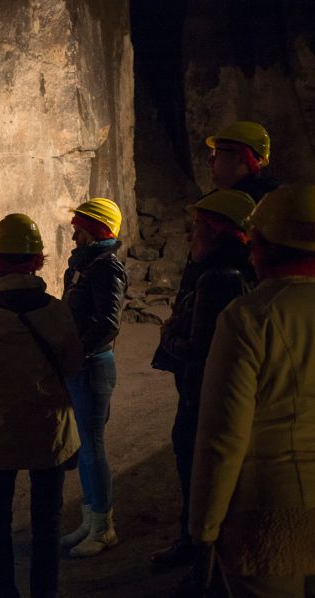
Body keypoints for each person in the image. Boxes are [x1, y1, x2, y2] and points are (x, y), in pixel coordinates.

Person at [189, 184, 315, 597]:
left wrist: (204, 526)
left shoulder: (250, 317)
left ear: (262, 247)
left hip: (269, 514)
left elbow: (224, 436)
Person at [0, 214, 83, 598]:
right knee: (46, 523)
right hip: (48, 432)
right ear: (38, 261)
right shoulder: (58, 312)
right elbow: (74, 365)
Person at [150, 190, 256, 569]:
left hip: (200, 397)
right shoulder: (237, 271)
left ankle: (200, 560)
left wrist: (168, 334)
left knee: (197, 475)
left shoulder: (217, 278)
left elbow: (200, 347)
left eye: (197, 228)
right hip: (207, 394)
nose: (190, 236)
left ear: (216, 231)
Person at [60, 198, 127, 558]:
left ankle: (103, 528)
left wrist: (79, 351)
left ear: (96, 229)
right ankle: (90, 519)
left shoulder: (106, 267)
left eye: (80, 226)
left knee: (94, 446)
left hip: (93, 366)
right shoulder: (87, 265)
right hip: (82, 364)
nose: (74, 232)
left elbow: (108, 323)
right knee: (86, 446)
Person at [206, 120, 278, 200]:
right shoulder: (269, 199)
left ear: (240, 158)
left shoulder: (240, 204)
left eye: (216, 152)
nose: (210, 160)